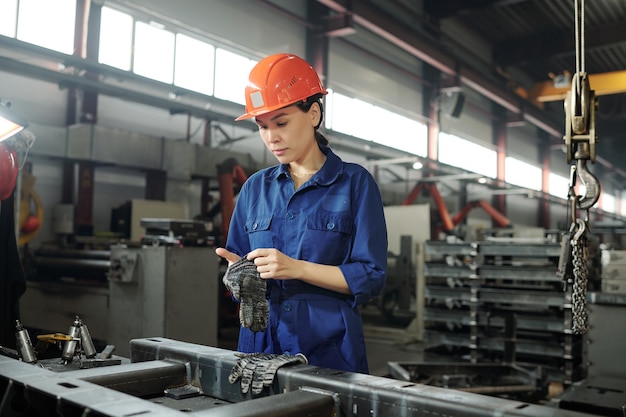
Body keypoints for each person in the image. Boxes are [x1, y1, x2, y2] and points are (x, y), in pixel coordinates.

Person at [215, 53, 387, 374]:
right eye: (262, 126)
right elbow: (239, 264)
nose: (271, 138)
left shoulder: (354, 184)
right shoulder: (255, 188)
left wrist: (296, 268)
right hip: (260, 348)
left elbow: (370, 276)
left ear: (313, 113)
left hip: (327, 349)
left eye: (281, 122)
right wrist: (237, 280)